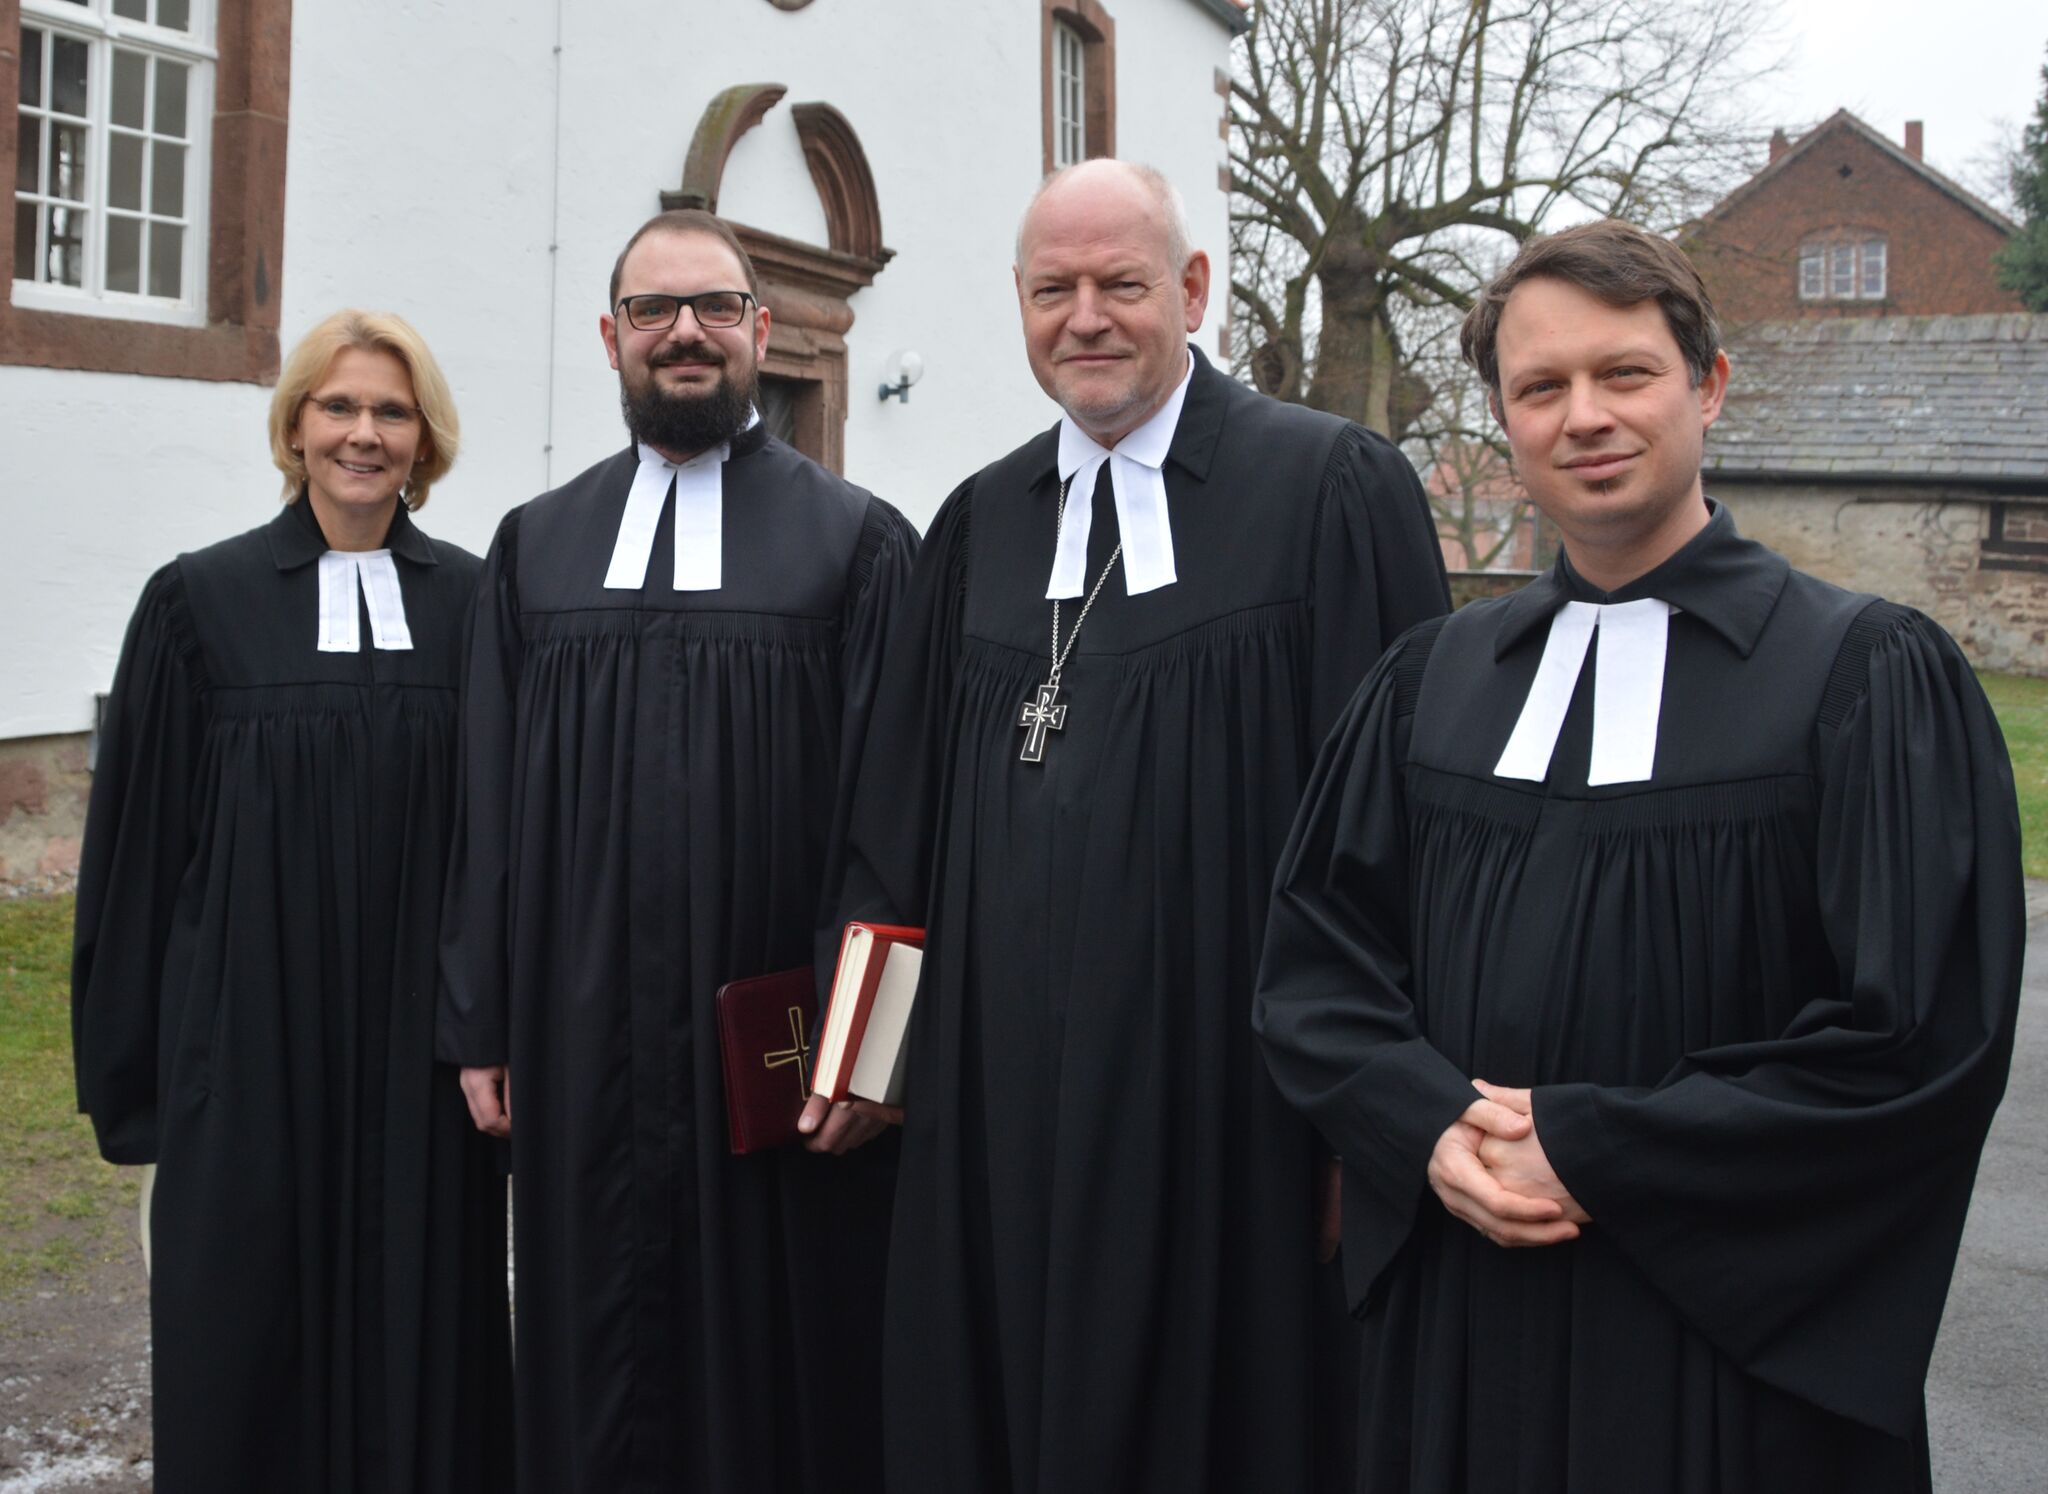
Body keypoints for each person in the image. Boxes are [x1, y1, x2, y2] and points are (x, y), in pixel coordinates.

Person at [1254, 219, 2022, 1492]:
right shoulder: (1426, 681)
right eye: (1539, 389)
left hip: (1721, 1361)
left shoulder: (1862, 677)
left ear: (1707, 386)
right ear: (1503, 431)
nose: (1583, 417)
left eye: (1624, 374)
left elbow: (1917, 1037)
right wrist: (1425, 1123)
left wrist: (1599, 1150)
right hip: (1461, 1327)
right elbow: (1313, 966)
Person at [810, 159, 1449, 1492]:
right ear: (1020, 305)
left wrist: (1371, 1127)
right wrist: (867, 1063)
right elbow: (895, 831)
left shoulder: (1331, 488)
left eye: (1122, 284)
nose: (1086, 317)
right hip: (996, 1111)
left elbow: (1408, 841)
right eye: (1055, 289)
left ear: (1195, 290)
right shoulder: (981, 523)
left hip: (1235, 1115)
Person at [437, 208, 918, 1492]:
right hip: (577, 1026)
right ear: (611, 337)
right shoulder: (535, 548)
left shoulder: (858, 543)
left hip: (777, 1046)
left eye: (713, 306)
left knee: (786, 1345)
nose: (684, 333)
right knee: (591, 1333)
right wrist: (481, 1018)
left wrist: (867, 1051)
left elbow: (896, 821)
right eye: (654, 311)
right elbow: (485, 802)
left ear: (760, 330)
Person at [71, 310, 513, 1493]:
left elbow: (505, 842)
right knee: (247, 1333)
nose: (363, 434)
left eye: (391, 412)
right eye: (339, 407)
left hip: (418, 1062)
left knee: (422, 1334)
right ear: (295, 426)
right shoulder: (197, 605)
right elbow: (137, 848)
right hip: (250, 1043)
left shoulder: (480, 609)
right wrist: (140, 1070)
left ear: (425, 441)